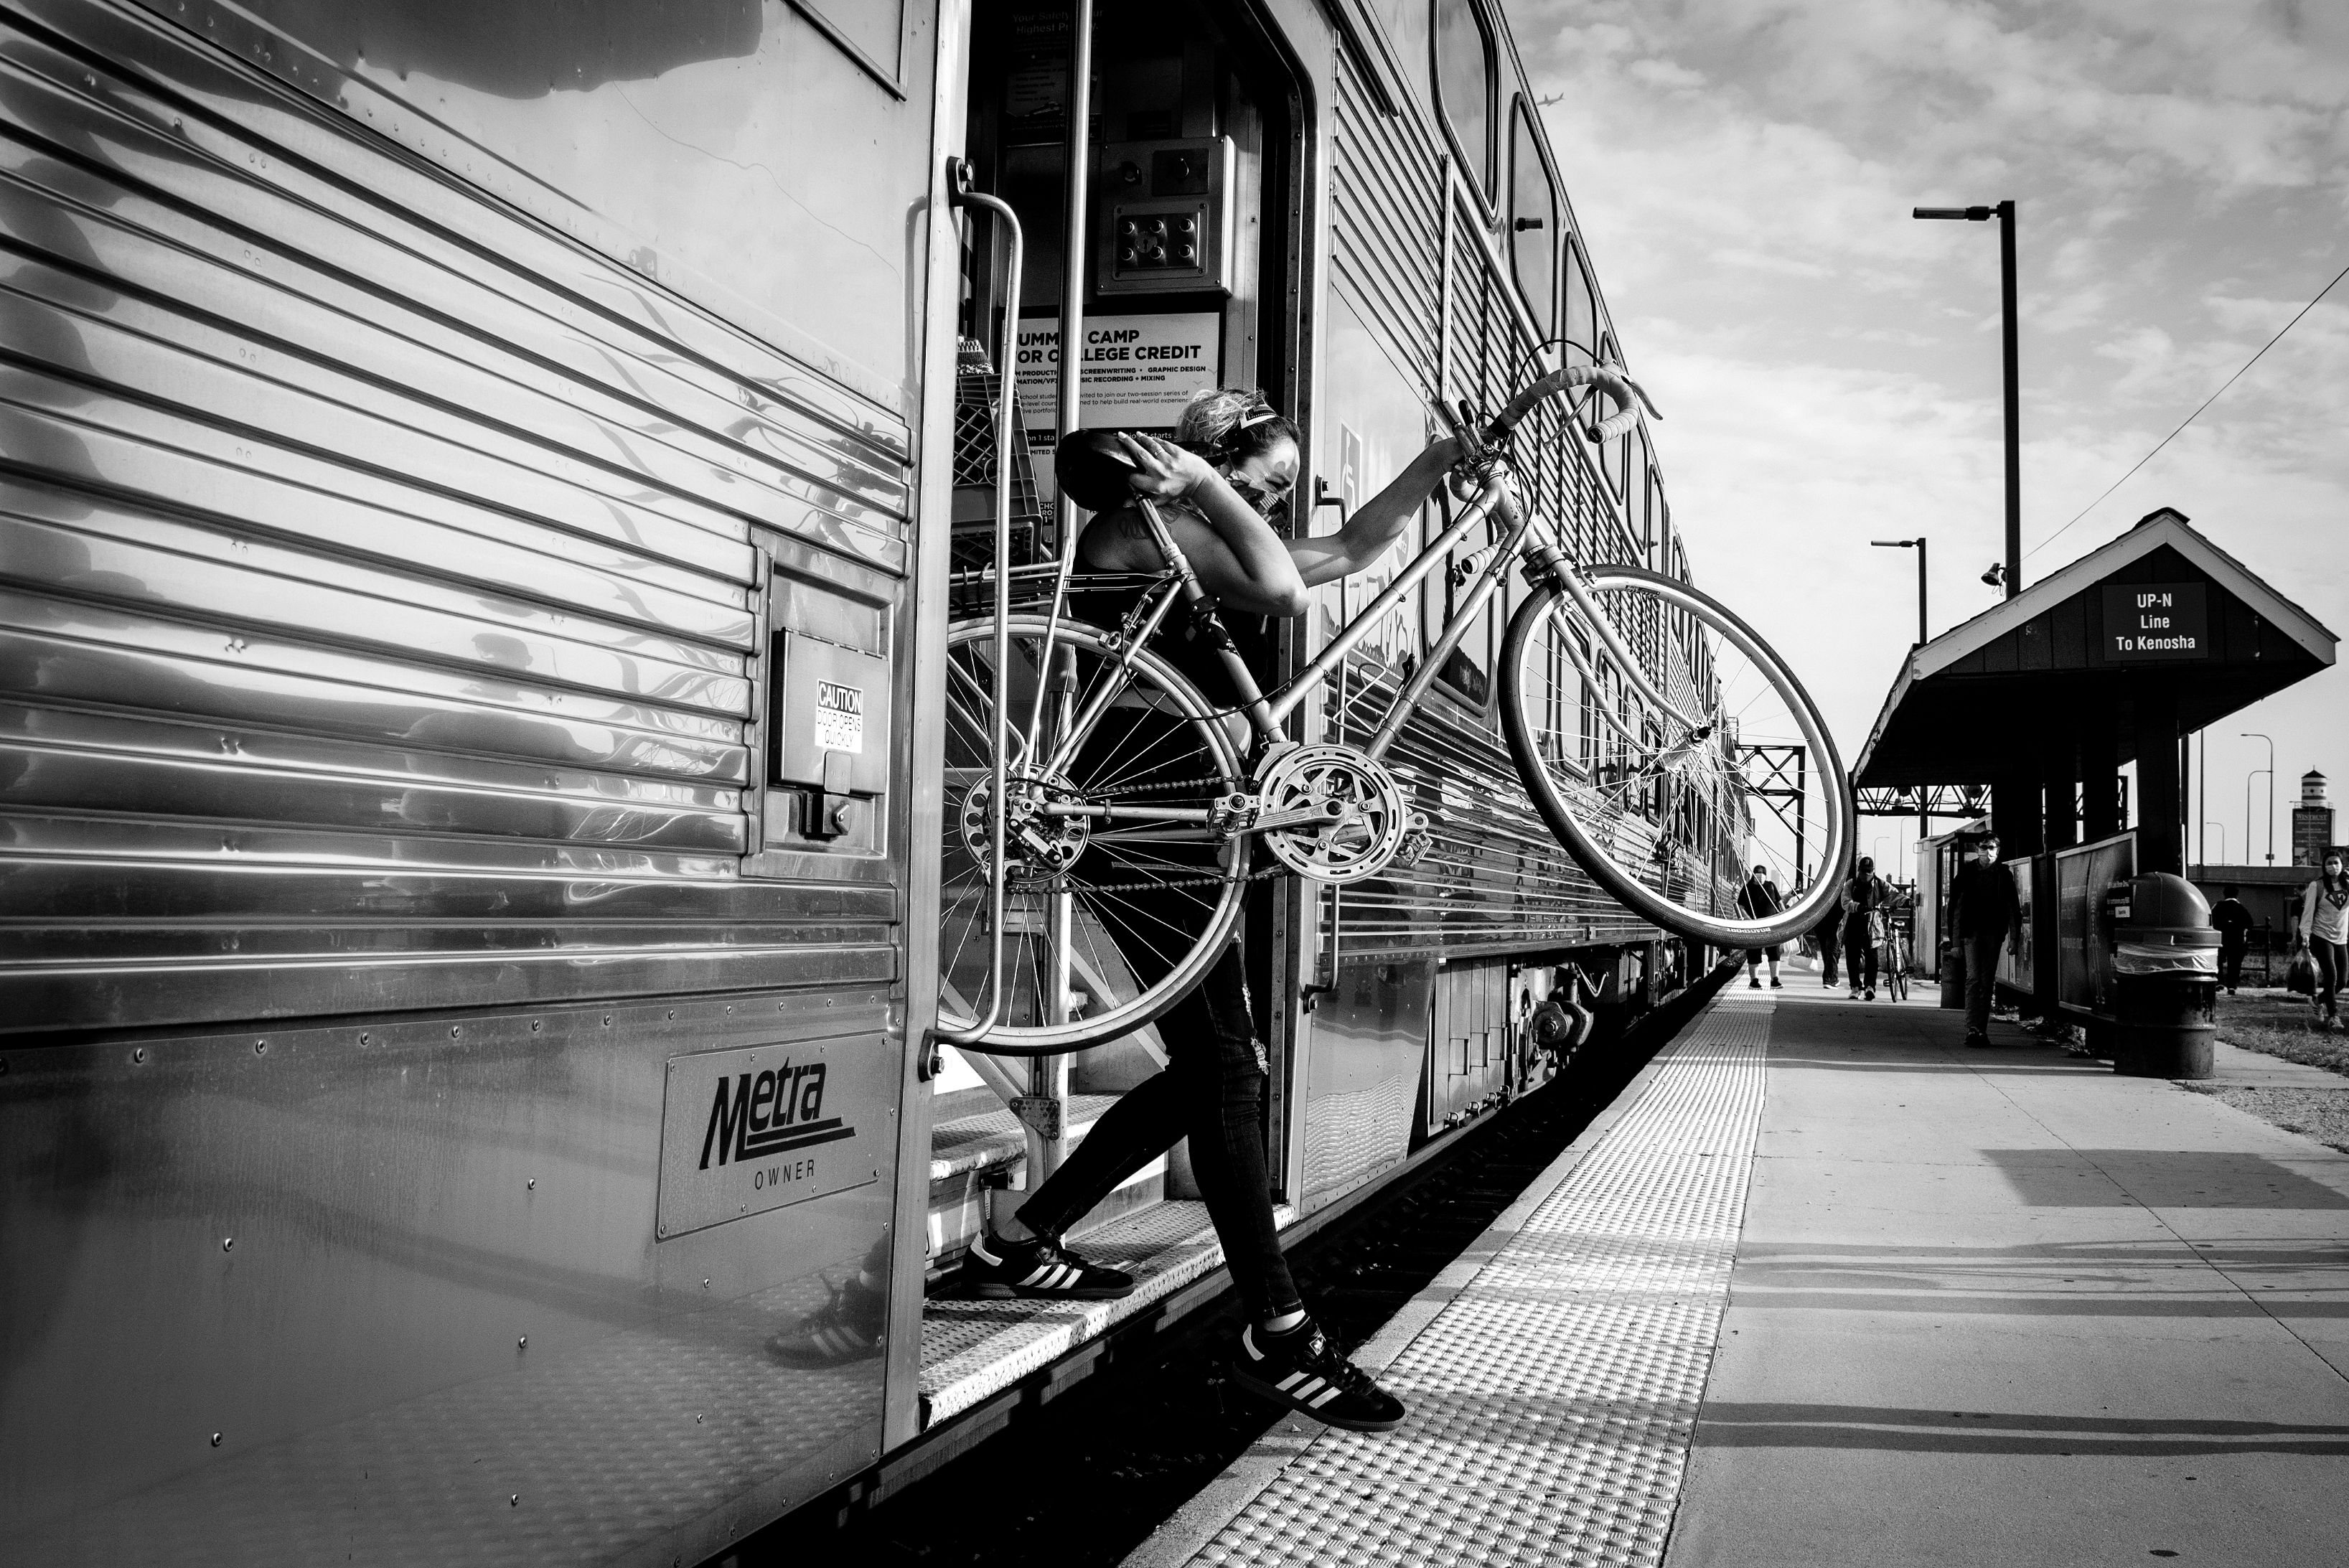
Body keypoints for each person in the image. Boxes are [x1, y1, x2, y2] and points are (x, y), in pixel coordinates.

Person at [960, 387, 1465, 1435]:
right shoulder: (1151, 521)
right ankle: (1279, 1333)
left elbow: (1356, 548)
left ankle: (1021, 1242)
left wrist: (1437, 464)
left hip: (1192, 821)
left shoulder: (1210, 530)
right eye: (1265, 483)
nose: (1272, 505)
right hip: (1144, 818)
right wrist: (1197, 482)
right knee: (1227, 1069)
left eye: (1279, 492)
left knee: (1216, 1069)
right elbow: (1284, 588)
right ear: (1213, 460)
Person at [1947, 835, 2022, 1048]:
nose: (1989, 852)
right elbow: (1955, 909)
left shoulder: (2004, 875)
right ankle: (1973, 1028)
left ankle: (1981, 1029)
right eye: (1985, 847)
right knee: (1973, 978)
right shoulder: (1966, 874)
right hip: (1971, 934)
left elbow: (2013, 909)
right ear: (1977, 849)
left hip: (1994, 934)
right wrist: (1955, 943)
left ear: (1998, 852)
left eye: (1993, 848)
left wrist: (2014, 939)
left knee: (1987, 980)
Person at [2295, 851, 2348, 1029]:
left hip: (2341, 938)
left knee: (2342, 980)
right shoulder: (2316, 886)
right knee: (2331, 976)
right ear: (2324, 867)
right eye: (2329, 863)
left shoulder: (2347, 885)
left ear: (2342, 864)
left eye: (2337, 862)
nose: (2334, 866)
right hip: (2321, 935)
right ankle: (2334, 1017)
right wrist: (2305, 934)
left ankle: (2318, 1001)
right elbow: (2308, 911)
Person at [1841, 856, 1890, 1000]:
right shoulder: (1851, 884)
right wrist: (1857, 907)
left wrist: (1906, 901)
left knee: (1872, 957)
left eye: (1869, 872)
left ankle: (1870, 987)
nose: (1866, 875)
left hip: (1872, 925)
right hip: (1853, 923)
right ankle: (1855, 988)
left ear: (1873, 871)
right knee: (1852, 957)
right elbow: (1845, 902)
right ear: (1859, 871)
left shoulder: (1880, 884)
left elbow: (1893, 894)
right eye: (1863, 872)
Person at [1738, 863, 1785, 989]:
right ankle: (1754, 981)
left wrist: (1784, 917)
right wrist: (1749, 920)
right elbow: (1740, 907)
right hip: (1754, 926)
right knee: (1753, 953)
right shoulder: (1747, 888)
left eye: (1762, 873)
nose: (1760, 876)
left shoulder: (1771, 886)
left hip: (1772, 925)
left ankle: (1775, 979)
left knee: (1774, 952)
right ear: (1753, 875)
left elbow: (1780, 904)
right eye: (1757, 873)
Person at [2210, 884, 2254, 995]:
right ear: (2237, 895)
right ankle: (2232, 986)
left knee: (2218, 961)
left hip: (2220, 939)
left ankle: (2219, 981)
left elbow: (2210, 921)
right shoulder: (2241, 908)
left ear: (2224, 894)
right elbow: (2250, 923)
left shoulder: (2218, 906)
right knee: (2234, 963)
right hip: (2236, 939)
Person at [1815, 884, 1843, 989]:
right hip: (1835, 925)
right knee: (1833, 952)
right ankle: (1828, 979)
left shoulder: (1820, 888)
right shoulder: (1841, 889)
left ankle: (1834, 978)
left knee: (1828, 953)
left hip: (1820, 924)